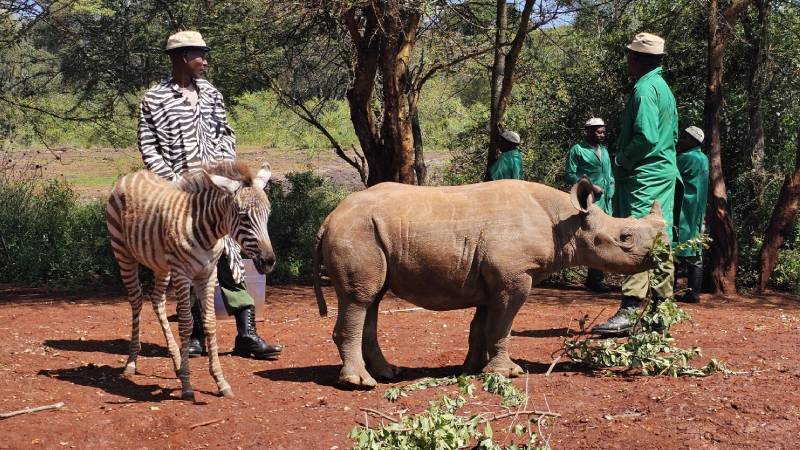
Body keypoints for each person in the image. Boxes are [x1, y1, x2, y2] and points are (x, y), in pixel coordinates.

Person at [137, 30, 282, 359]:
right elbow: (149, 147)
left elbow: (226, 135)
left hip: (219, 191)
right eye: (200, 54)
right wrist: (174, 182)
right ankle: (196, 336)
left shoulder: (212, 94)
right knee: (188, 259)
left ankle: (247, 333)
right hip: (182, 195)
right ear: (183, 57)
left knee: (231, 252)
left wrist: (228, 175)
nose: (205, 60)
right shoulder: (154, 99)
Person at [593, 32, 680, 336]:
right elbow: (672, 136)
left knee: (637, 235)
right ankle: (661, 313)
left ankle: (630, 309)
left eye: (630, 55)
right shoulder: (664, 89)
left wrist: (622, 160)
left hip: (646, 175)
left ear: (637, 58)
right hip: (664, 172)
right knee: (660, 239)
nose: (627, 60)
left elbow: (646, 137)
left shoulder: (644, 89)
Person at [565, 118, 616, 292]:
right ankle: (594, 279)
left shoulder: (604, 151)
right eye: (598, 132)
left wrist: (611, 190)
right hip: (588, 200)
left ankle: (597, 277)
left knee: (603, 237)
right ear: (587, 132)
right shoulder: (577, 150)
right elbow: (570, 174)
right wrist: (590, 186)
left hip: (606, 202)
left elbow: (609, 175)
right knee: (592, 237)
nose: (602, 135)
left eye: (603, 132)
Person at [674, 126, 708, 303]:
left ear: (694, 141)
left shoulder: (685, 158)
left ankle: (667, 291)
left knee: (672, 249)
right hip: (697, 212)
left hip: (683, 211)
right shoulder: (703, 158)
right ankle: (694, 293)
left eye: (685, 137)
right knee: (695, 252)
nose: (681, 140)